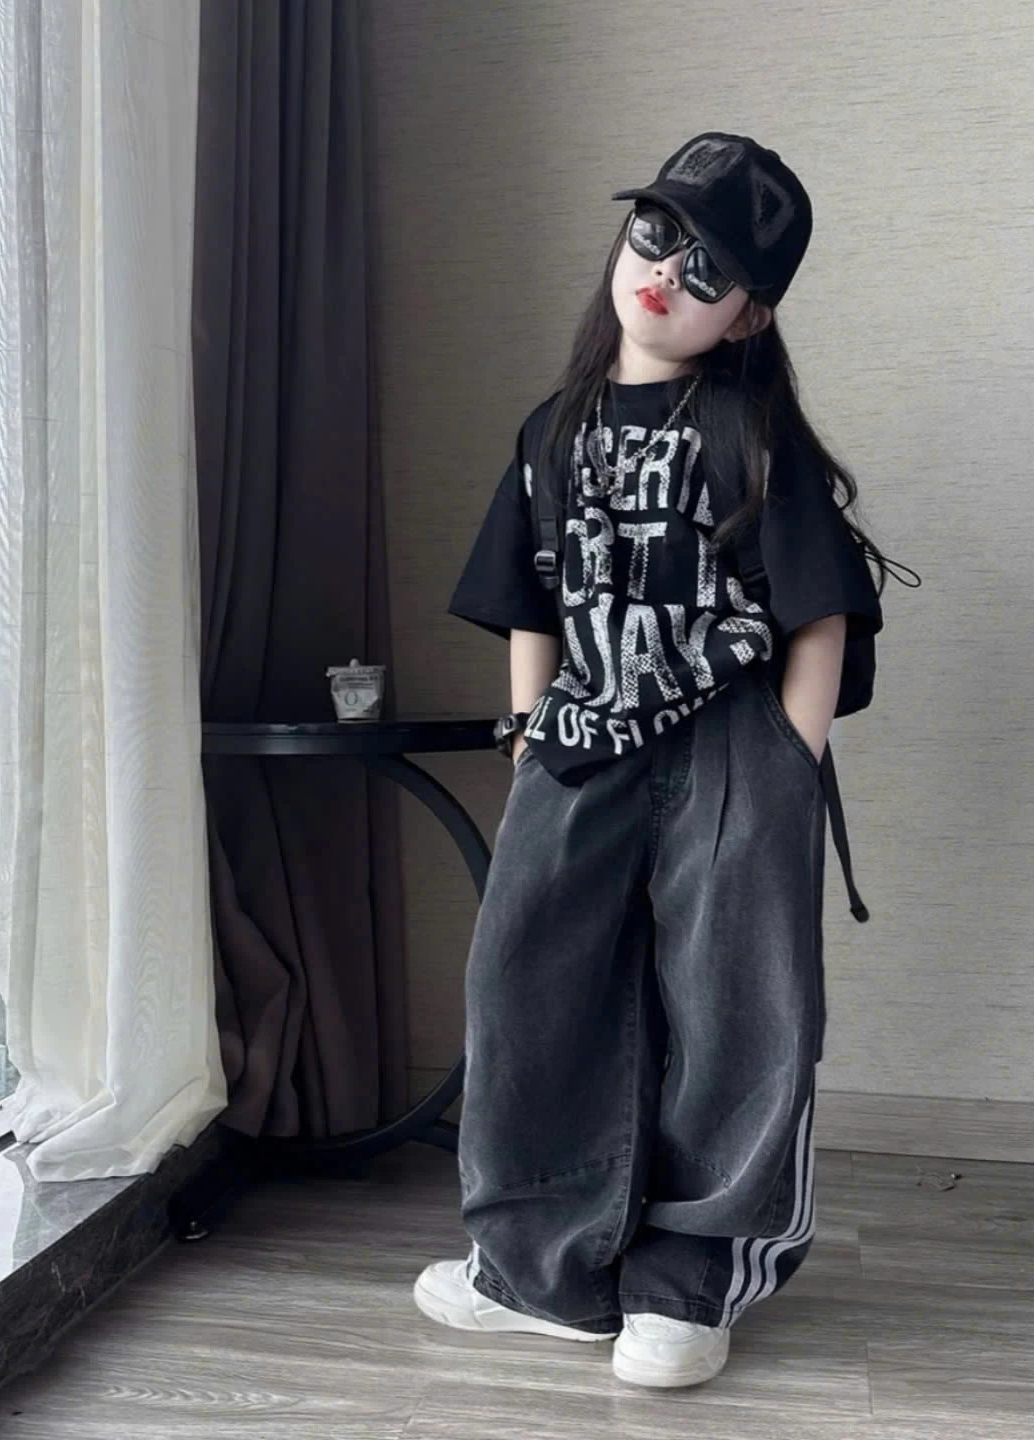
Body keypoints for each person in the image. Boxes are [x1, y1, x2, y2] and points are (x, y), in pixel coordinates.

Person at [414, 132, 914, 1389]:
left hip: (730, 741)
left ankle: (692, 1284)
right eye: (656, 235)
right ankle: (539, 1272)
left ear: (750, 314)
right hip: (577, 743)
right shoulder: (552, 430)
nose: (666, 276)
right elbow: (530, 599)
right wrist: (527, 737)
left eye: (709, 272)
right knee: (527, 987)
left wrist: (788, 759)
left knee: (736, 1001)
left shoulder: (752, 431)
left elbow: (820, 611)